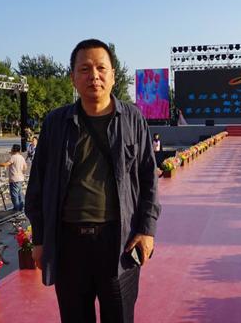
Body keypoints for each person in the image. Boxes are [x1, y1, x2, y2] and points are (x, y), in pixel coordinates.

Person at [25, 39, 161, 323]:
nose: (94, 76)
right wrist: (39, 239)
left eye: (101, 68)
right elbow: (37, 185)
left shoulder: (133, 119)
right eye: (84, 69)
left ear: (113, 75)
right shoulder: (55, 123)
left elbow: (149, 178)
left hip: (119, 242)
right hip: (68, 244)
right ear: (73, 77)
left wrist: (146, 230)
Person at [0, 144, 27, 212]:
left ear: (14, 149)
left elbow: (5, 165)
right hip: (20, 178)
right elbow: (25, 167)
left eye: (12, 148)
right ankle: (21, 208)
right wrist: (19, 170)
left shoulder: (13, 157)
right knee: (19, 194)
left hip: (14, 179)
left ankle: (16, 209)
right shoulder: (21, 157)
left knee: (14, 195)